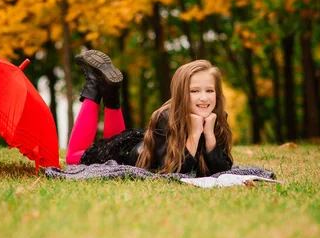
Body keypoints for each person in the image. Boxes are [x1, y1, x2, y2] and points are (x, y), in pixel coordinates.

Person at [66, 50, 233, 176]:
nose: (204, 98)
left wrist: (210, 135)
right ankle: (94, 85)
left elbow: (222, 170)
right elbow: (174, 172)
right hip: (124, 154)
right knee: (73, 158)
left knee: (113, 137)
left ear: (217, 93)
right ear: (181, 92)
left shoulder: (216, 118)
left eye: (209, 90)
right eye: (195, 91)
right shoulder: (165, 118)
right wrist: (195, 134)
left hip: (144, 142)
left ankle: (110, 91)